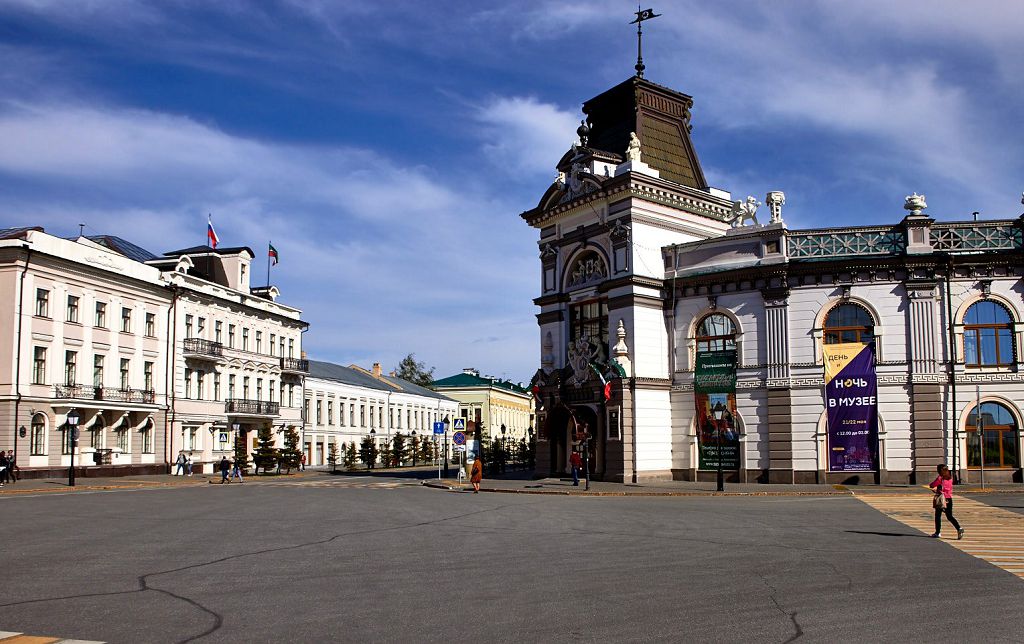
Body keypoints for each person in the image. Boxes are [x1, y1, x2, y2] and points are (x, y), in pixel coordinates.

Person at [929, 464, 964, 540]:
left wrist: (934, 487)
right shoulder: (950, 478)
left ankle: (937, 532)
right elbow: (946, 488)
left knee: (938, 516)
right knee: (949, 516)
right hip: (949, 499)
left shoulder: (940, 478)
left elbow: (932, 485)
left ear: (939, 471)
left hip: (942, 499)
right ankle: (959, 528)